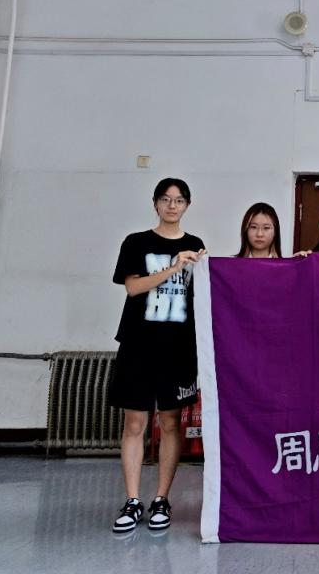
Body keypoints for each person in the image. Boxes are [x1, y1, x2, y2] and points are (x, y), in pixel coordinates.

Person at [107, 178, 206, 534]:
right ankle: (133, 500)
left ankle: (162, 499)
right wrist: (174, 268)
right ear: (155, 203)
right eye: (165, 199)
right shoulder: (136, 242)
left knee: (170, 423)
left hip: (178, 348)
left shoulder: (196, 245)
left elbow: (206, 291)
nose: (172, 205)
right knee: (134, 423)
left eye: (178, 200)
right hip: (138, 344)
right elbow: (133, 287)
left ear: (187, 205)